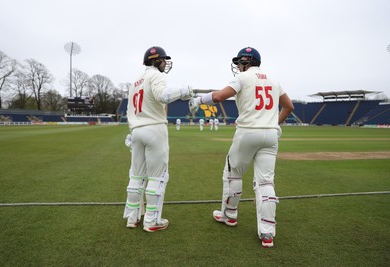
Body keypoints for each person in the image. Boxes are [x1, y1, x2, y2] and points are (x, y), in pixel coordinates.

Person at [189, 47, 294, 248]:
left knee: (233, 174)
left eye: (240, 62)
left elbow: (220, 96)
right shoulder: (274, 80)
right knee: (265, 183)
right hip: (271, 135)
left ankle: (230, 215)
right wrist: (275, 123)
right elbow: (289, 107)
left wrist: (199, 100)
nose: (237, 66)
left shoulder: (243, 78)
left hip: (247, 132)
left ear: (247, 62)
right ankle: (267, 233)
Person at [123, 46, 193, 232]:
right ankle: (152, 221)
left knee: (136, 176)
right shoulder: (155, 75)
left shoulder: (135, 82)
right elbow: (163, 95)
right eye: (163, 60)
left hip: (136, 130)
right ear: (156, 61)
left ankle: (132, 217)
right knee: (157, 177)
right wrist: (185, 90)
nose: (165, 63)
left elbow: (130, 110)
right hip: (154, 128)